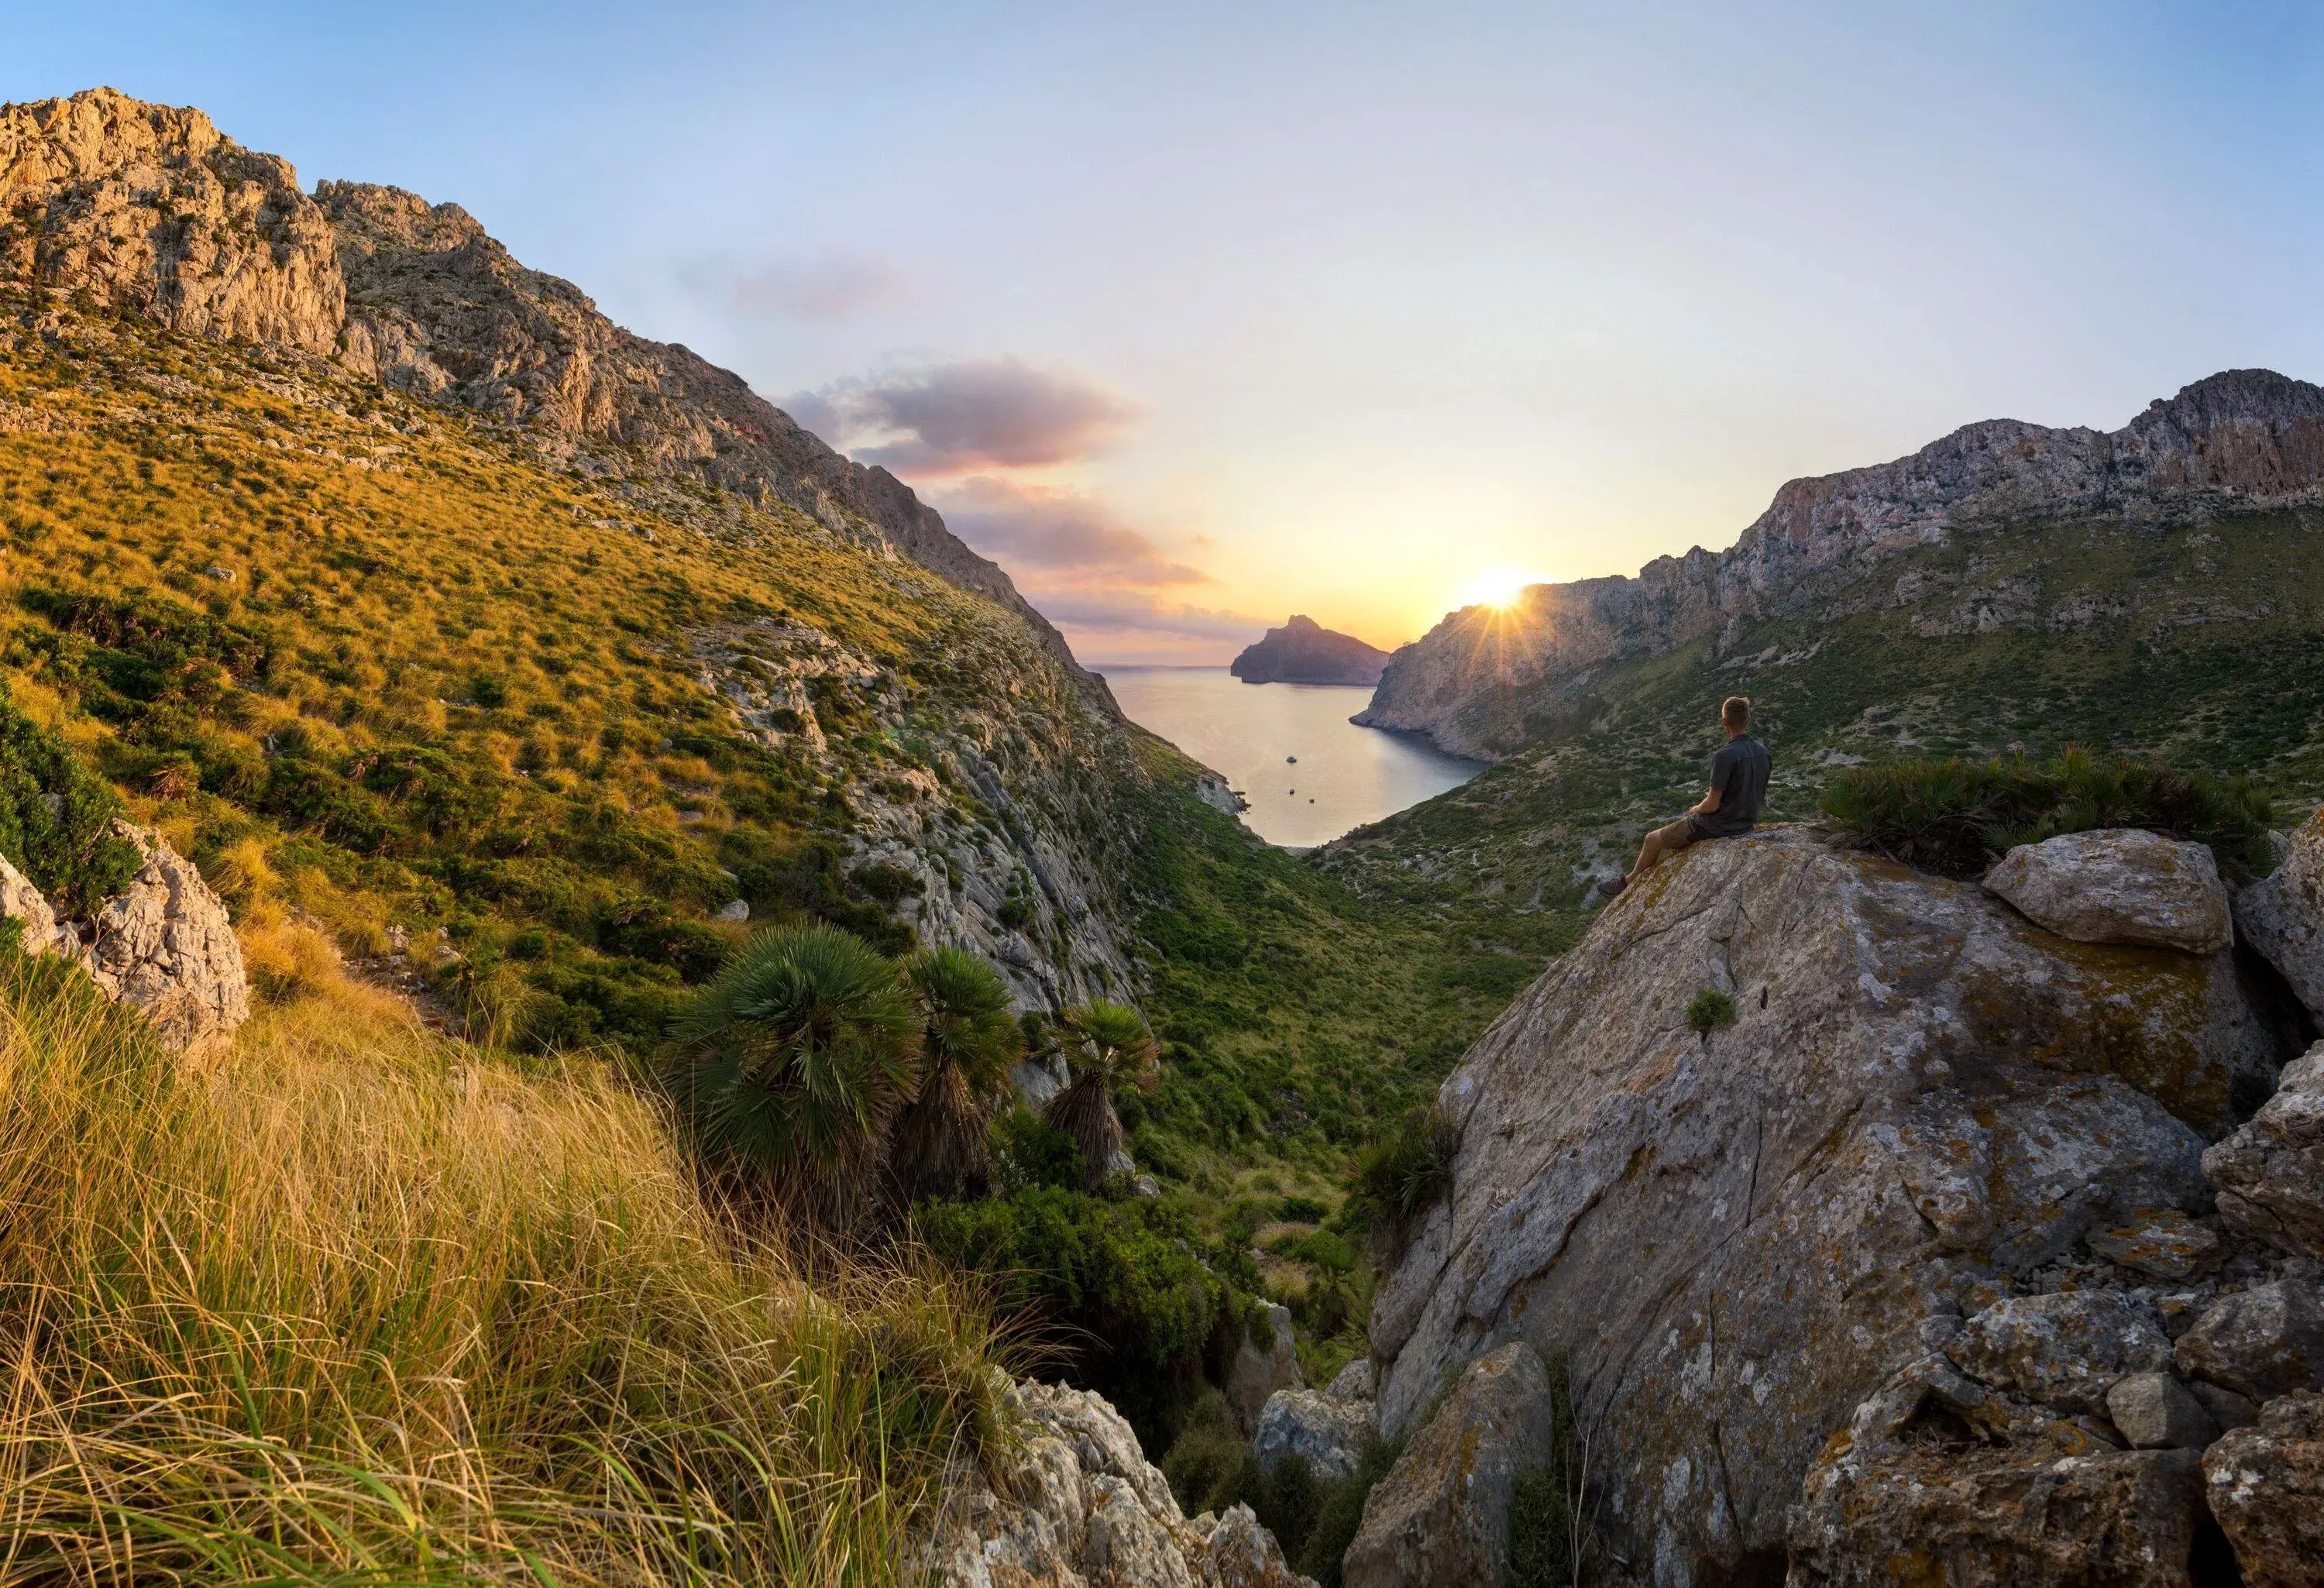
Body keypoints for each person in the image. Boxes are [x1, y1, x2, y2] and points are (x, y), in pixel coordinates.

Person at [1597, 696, 1770, 899]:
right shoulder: (1763, 752)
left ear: (1724, 722)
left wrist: (1696, 809)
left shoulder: (1724, 756)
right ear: (1748, 719)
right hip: (1747, 823)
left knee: (1651, 840)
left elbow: (1712, 805)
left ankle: (1627, 883)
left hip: (1720, 826)